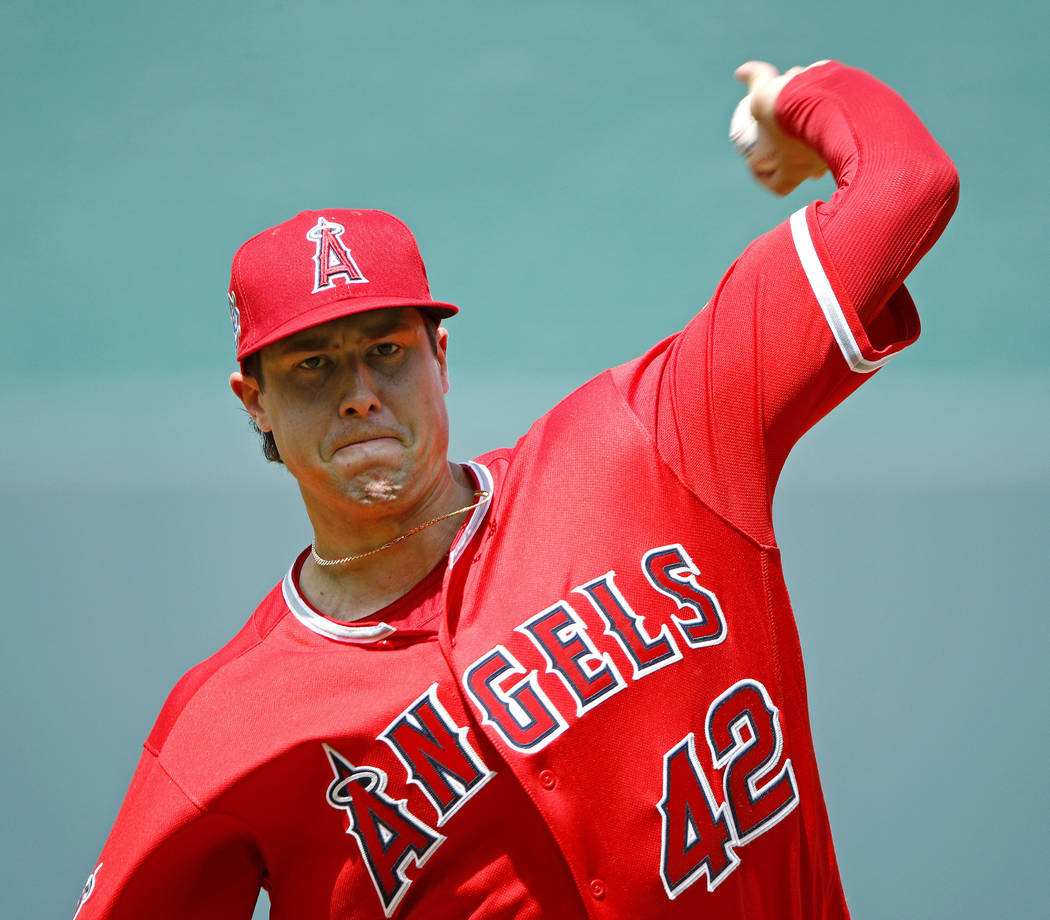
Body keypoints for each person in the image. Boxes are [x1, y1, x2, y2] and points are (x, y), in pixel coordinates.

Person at [73, 59, 958, 919]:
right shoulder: (227, 726)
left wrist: (797, 98)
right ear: (254, 401)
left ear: (440, 358)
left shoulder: (652, 443)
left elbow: (907, 185)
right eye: (311, 365)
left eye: (386, 348)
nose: (357, 391)